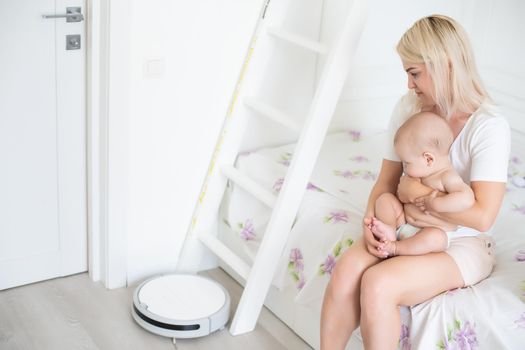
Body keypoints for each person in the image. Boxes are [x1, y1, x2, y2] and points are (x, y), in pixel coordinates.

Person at [320, 14, 510, 350]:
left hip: (463, 244)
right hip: (407, 226)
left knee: (378, 284)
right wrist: (374, 223)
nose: (409, 85)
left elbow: (483, 217)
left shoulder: (489, 127)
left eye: (414, 73)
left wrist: (423, 198)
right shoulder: (408, 110)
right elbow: (385, 183)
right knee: (348, 271)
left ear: (446, 66)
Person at [369, 111, 475, 258]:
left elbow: (467, 198)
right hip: (404, 221)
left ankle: (395, 247)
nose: (404, 168)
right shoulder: (418, 172)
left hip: (427, 231)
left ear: (428, 159)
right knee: (384, 199)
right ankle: (390, 230)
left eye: (406, 163)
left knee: (436, 238)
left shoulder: (447, 176)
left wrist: (437, 204)